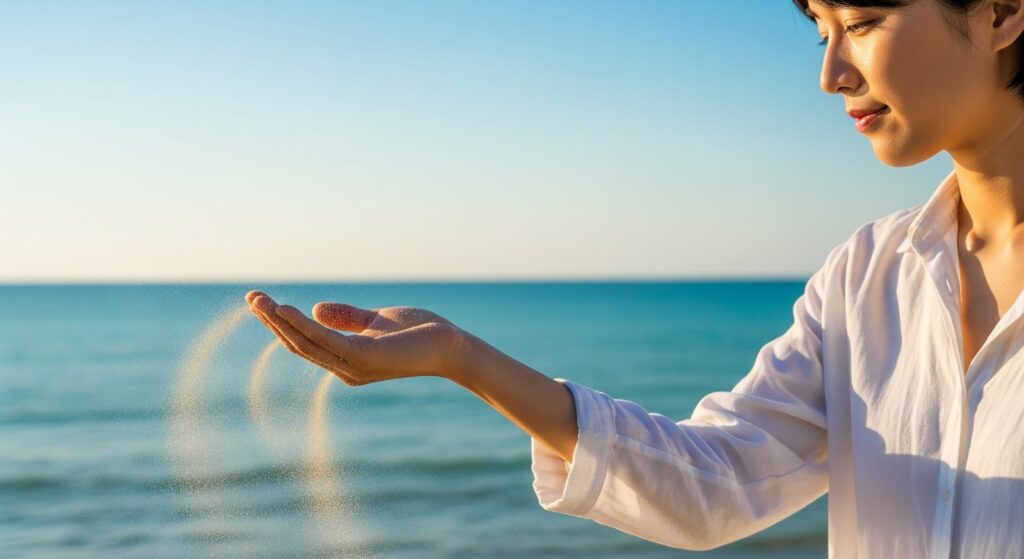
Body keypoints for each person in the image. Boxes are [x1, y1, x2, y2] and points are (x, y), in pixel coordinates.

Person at [245, 0, 1024, 556]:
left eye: (860, 23)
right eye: (819, 30)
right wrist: (464, 358)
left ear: (1000, 13)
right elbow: (717, 482)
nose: (830, 73)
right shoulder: (866, 275)